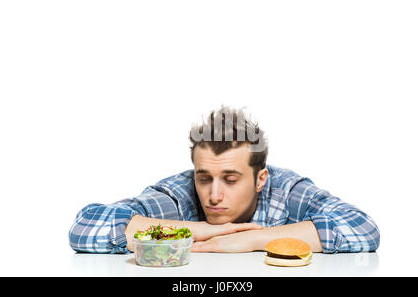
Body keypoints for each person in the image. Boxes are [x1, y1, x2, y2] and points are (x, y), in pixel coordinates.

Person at [68, 106, 380, 254]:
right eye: (205, 178)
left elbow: (363, 228)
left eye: (230, 179)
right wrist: (200, 230)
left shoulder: (284, 190)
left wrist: (252, 239)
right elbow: (87, 226)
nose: (213, 195)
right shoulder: (179, 194)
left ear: (260, 179)